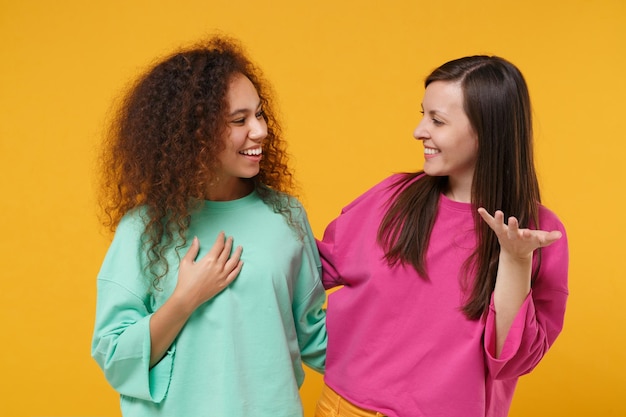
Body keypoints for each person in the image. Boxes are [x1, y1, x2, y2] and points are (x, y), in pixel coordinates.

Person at [315, 56, 568, 417]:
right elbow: (310, 269)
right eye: (423, 115)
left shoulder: (536, 234)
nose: (419, 131)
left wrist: (515, 259)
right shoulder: (392, 198)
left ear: (487, 132)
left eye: (437, 121)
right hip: (344, 408)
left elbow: (509, 361)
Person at [91, 35, 327, 417]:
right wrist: (186, 299)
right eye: (239, 120)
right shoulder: (143, 229)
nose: (260, 130)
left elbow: (314, 336)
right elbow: (116, 358)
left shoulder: (286, 215)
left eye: (260, 114)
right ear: (191, 134)